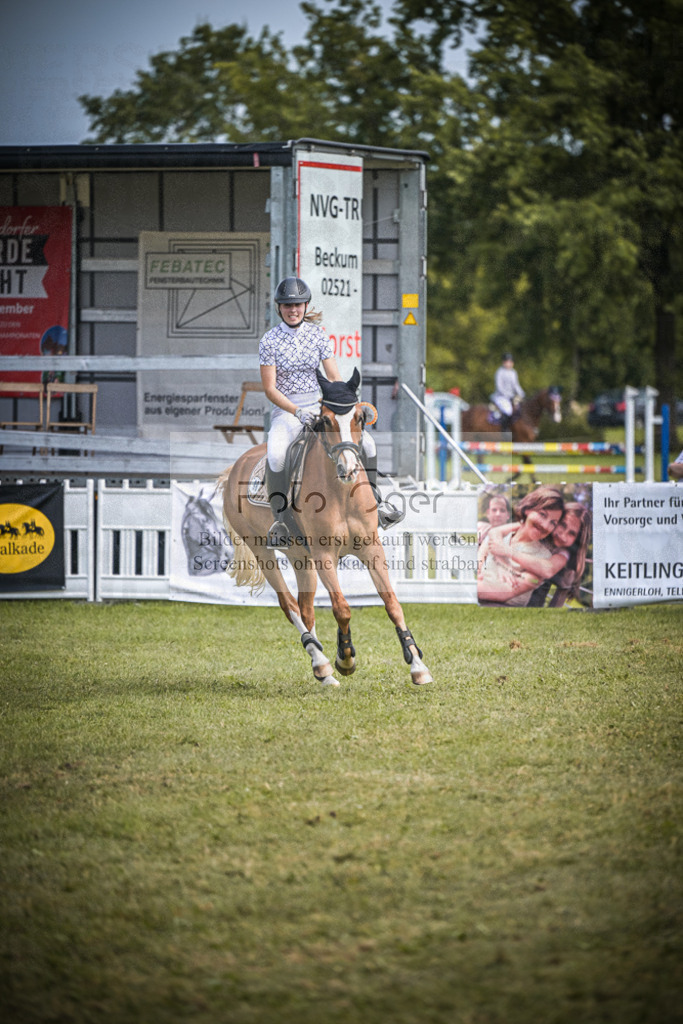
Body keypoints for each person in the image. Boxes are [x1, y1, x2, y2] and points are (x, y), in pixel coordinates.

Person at [259, 277, 404, 548]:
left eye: (298, 305)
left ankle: (377, 503)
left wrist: (346, 405)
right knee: (277, 455)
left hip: (321, 406)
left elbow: (334, 377)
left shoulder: (318, 336)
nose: (293, 310)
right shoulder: (269, 341)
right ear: (279, 308)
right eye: (288, 305)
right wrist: (297, 411)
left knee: (368, 444)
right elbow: (269, 389)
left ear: (305, 306)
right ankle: (280, 522)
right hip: (287, 410)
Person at [490, 501, 592, 608]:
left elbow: (548, 570)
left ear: (577, 539)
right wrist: (502, 560)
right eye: (562, 525)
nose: (563, 535)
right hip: (500, 584)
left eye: (572, 533)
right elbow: (496, 531)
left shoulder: (563, 553)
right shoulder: (539, 528)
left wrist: (507, 551)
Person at [477, 486, 565, 605]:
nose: (545, 525)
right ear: (528, 509)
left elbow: (502, 593)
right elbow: (478, 566)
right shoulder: (500, 536)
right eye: (542, 515)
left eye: (553, 523)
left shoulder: (543, 557)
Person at [491, 352, 525, 427]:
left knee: (521, 410)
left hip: (511, 397)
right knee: (508, 411)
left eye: (511, 362)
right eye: (507, 362)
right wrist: (510, 395)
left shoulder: (513, 372)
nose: (509, 364)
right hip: (501, 397)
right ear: (503, 362)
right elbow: (499, 387)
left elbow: (516, 385)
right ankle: (504, 429)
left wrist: (522, 394)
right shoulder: (500, 372)